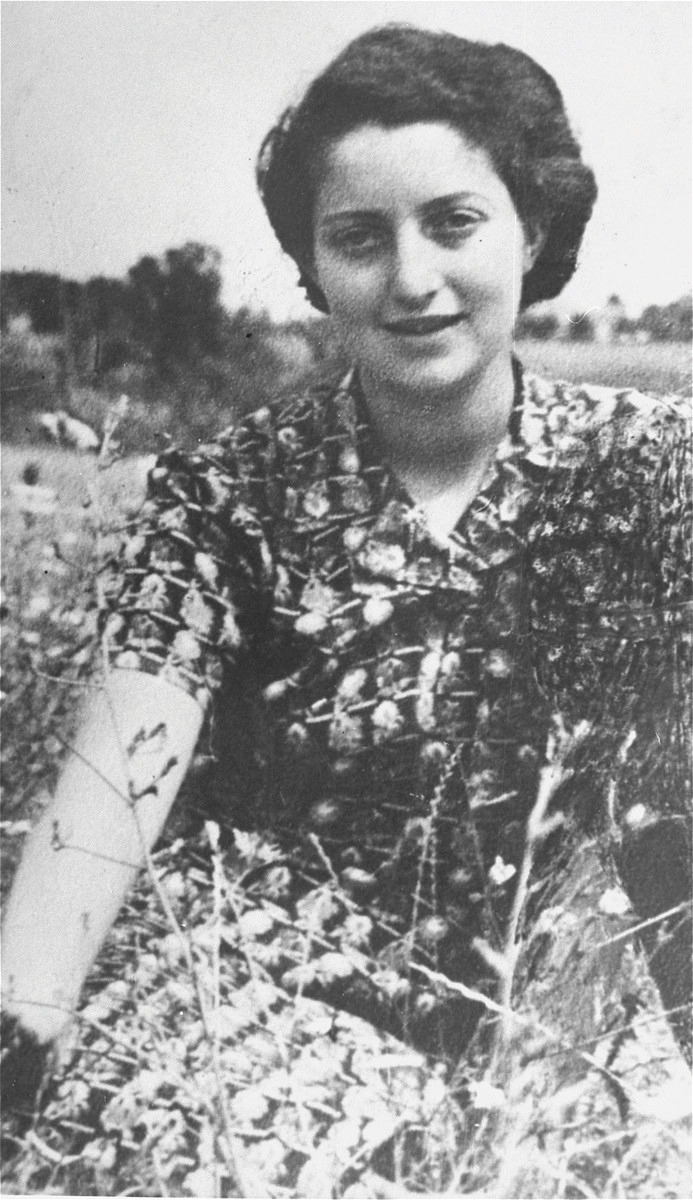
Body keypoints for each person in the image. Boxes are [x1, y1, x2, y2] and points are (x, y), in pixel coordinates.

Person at [2, 24, 690, 1104]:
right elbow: (113, 781)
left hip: (562, 1012)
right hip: (258, 1008)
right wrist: (23, 1016)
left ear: (532, 228)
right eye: (360, 238)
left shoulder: (653, 471)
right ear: (313, 267)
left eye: (454, 222)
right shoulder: (223, 497)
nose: (412, 279)